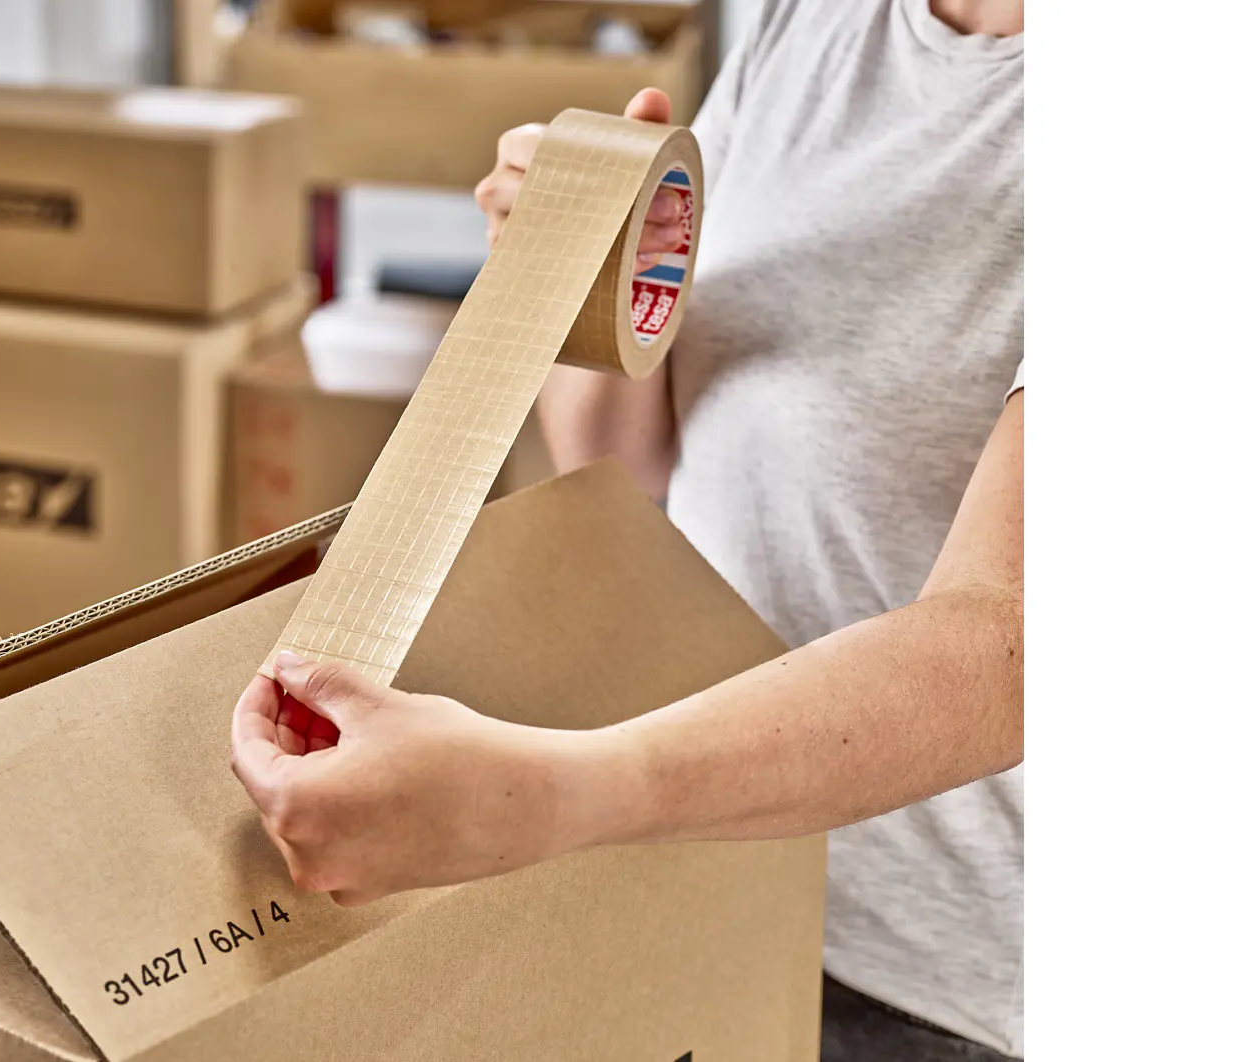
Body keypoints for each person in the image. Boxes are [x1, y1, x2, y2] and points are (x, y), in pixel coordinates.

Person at [228, 0, 1025, 1058]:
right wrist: (578, 271)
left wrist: (546, 799)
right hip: (694, 866)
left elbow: (1010, 644)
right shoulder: (820, 23)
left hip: (934, 983)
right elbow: (622, 458)